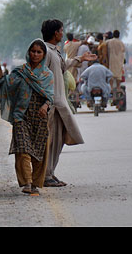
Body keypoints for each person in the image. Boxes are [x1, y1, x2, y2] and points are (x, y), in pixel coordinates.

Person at [0, 40, 54, 196]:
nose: (35, 54)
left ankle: (35, 184)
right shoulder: (20, 72)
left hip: (39, 117)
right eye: (33, 51)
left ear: (43, 55)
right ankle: (26, 182)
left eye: (39, 52)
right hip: (21, 116)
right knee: (22, 149)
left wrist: (45, 106)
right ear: (29, 52)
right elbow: (5, 84)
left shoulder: (47, 75)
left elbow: (50, 96)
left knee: (39, 152)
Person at [41, 19, 96, 187]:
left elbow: (63, 65)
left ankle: (50, 172)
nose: (62, 33)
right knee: (50, 141)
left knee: (58, 140)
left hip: (60, 104)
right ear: (55, 33)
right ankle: (45, 175)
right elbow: (41, 77)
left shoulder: (55, 51)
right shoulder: (45, 52)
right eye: (61, 30)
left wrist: (80, 58)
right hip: (51, 104)